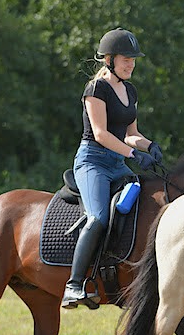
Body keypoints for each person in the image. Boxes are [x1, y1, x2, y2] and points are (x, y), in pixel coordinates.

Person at [62, 27, 164, 309]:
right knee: (97, 218)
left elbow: (131, 132)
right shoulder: (95, 89)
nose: (131, 63)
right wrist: (133, 153)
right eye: (125, 58)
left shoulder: (129, 90)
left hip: (117, 163)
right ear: (109, 60)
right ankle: (74, 284)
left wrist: (149, 145)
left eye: (133, 59)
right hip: (92, 162)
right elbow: (101, 134)